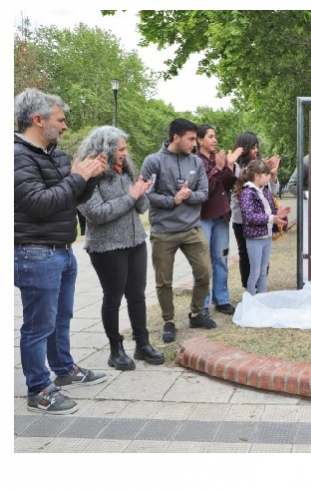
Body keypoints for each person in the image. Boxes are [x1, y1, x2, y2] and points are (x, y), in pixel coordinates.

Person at [14, 88, 108, 414]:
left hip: (64, 250)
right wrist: (78, 177)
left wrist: (90, 177)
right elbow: (39, 204)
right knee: (38, 326)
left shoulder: (56, 154)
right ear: (38, 120)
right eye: (60, 120)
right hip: (35, 253)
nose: (65, 126)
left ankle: (64, 370)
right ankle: (38, 389)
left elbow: (70, 198)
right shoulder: (16, 156)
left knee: (61, 318)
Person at [76, 126, 164, 370]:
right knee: (113, 298)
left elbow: (141, 208)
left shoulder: (124, 172)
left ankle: (142, 344)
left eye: (125, 148)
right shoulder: (89, 178)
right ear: (106, 149)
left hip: (135, 243)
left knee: (137, 295)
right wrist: (131, 196)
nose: (125, 153)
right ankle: (116, 350)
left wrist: (141, 190)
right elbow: (96, 214)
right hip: (107, 248)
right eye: (121, 149)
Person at [140, 118, 215, 343]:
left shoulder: (196, 162)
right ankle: (168, 321)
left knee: (204, 273)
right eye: (191, 139)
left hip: (192, 228)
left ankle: (195, 313)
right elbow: (148, 194)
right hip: (164, 230)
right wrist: (173, 200)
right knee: (164, 281)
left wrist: (188, 195)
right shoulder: (153, 161)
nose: (194, 143)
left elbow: (204, 193)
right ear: (176, 137)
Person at [196, 124, 241, 316]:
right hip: (203, 217)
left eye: (215, 136)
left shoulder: (217, 158)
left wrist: (228, 167)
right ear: (199, 140)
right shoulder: (195, 161)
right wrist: (219, 168)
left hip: (221, 216)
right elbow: (204, 188)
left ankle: (222, 299)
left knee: (221, 258)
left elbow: (226, 184)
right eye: (210, 136)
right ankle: (202, 304)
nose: (214, 140)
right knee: (203, 261)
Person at [230, 131, 280, 289]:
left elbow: (272, 191)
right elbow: (237, 189)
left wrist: (272, 175)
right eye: (253, 147)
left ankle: (261, 285)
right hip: (241, 220)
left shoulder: (259, 165)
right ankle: (249, 287)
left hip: (262, 220)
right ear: (244, 148)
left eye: (257, 147)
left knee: (263, 254)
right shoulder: (235, 167)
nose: (256, 150)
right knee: (245, 254)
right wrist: (255, 175)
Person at [236, 159, 290, 295]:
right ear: (257, 176)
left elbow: (271, 210)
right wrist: (272, 218)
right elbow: (250, 216)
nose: (268, 177)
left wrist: (279, 214)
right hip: (254, 238)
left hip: (267, 236)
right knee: (254, 272)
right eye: (266, 175)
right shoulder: (247, 193)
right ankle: (251, 301)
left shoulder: (265, 190)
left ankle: (262, 299)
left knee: (263, 271)